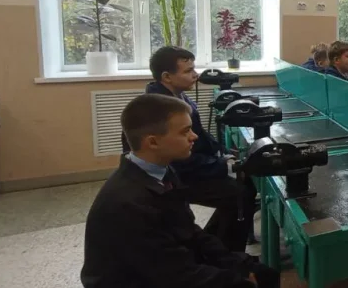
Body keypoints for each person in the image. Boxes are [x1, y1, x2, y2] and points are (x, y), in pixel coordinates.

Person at [82, 94, 279, 288]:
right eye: (185, 132)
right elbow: (174, 276)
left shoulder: (163, 172)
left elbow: (189, 231)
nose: (194, 136)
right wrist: (239, 281)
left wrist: (238, 264)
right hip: (143, 280)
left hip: (168, 267)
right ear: (153, 142)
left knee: (264, 274)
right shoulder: (128, 204)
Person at [119, 46, 256, 252]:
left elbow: (200, 136)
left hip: (188, 166)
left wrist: (224, 153)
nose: (196, 75)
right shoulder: (161, 111)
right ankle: (227, 255)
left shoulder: (180, 99)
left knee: (244, 186)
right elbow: (178, 162)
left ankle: (215, 247)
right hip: (174, 177)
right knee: (239, 194)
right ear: (167, 76)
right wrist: (224, 166)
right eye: (188, 71)